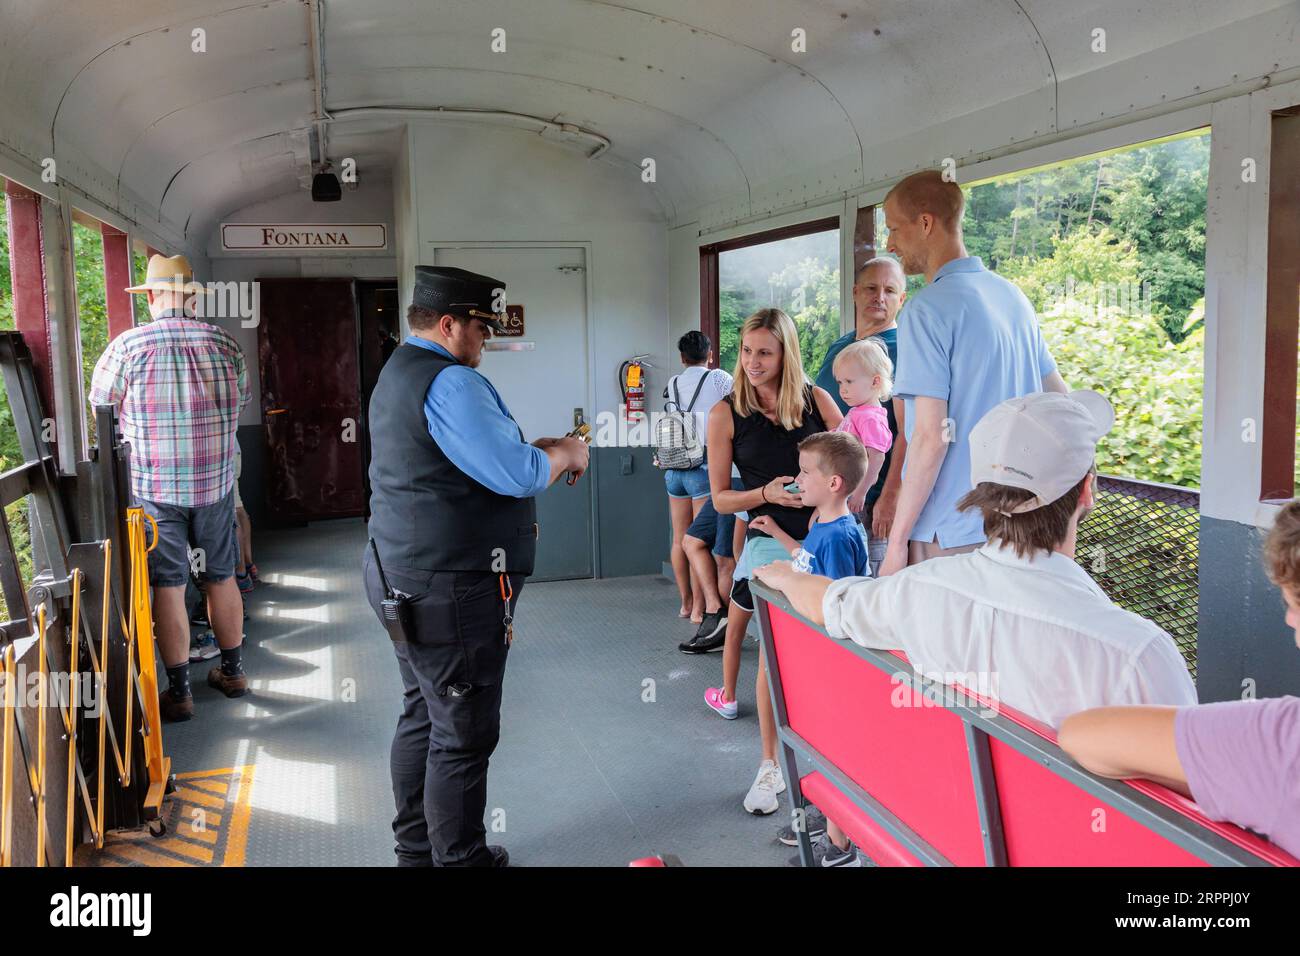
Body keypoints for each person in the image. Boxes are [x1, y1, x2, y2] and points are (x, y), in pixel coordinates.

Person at [756, 390, 1197, 858]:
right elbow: (1194, 814)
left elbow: (832, 602)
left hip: (928, 839)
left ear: (980, 494)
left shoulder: (916, 591)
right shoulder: (1136, 654)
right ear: (1086, 491)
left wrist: (783, 573)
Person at [363, 265, 589, 867]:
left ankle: (416, 849)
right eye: (480, 329)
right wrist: (566, 451)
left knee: (423, 710)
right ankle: (460, 859)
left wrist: (528, 452)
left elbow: (464, 459)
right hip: (451, 586)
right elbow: (515, 473)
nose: (484, 341)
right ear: (448, 325)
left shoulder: (398, 371)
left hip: (399, 571)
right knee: (462, 732)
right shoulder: (452, 383)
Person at [1059, 501, 1300, 858]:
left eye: (1293, 605)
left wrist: (1210, 774)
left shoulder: (1278, 741)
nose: (1290, 621)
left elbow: (1079, 735)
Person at [879, 170, 1068, 577]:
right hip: (1020, 524)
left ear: (925, 223)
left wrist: (896, 543)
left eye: (894, 228)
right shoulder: (1013, 297)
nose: (889, 243)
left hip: (949, 530)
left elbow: (930, 438)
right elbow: (1062, 404)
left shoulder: (926, 309)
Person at [90, 254, 251, 722]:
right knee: (221, 576)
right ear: (191, 296)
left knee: (169, 583)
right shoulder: (225, 343)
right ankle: (233, 672)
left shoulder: (128, 346)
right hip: (216, 484)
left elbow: (101, 410)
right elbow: (239, 401)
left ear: (154, 296)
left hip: (155, 486)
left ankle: (179, 692)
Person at [697, 308, 845, 817]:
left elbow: (850, 464)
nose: (753, 362)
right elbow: (718, 499)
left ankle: (838, 761)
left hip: (826, 535)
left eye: (765, 352)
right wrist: (765, 494)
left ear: (786, 354)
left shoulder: (818, 401)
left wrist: (840, 507)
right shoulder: (725, 412)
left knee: (837, 640)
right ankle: (769, 765)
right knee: (776, 651)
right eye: (746, 351)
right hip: (766, 536)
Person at [814, 256, 909, 575]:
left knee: (866, 584)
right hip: (829, 492)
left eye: (889, 290)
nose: (879, 297)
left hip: (868, 498)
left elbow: (908, 432)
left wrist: (890, 495)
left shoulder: (905, 350)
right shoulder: (840, 347)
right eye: (870, 287)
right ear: (855, 292)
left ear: (902, 299)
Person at [662, 330, 733, 629]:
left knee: (680, 538)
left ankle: (685, 602)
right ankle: (700, 610)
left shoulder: (673, 383)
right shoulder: (719, 379)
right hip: (704, 466)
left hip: (674, 466)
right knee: (699, 540)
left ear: (682, 357)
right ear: (710, 355)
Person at [832, 338, 895, 549]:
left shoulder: (870, 417)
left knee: (862, 549)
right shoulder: (858, 411)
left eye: (849, 382)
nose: (843, 389)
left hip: (859, 498)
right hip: (847, 492)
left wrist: (860, 493)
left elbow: (877, 458)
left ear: (875, 382)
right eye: (840, 383)